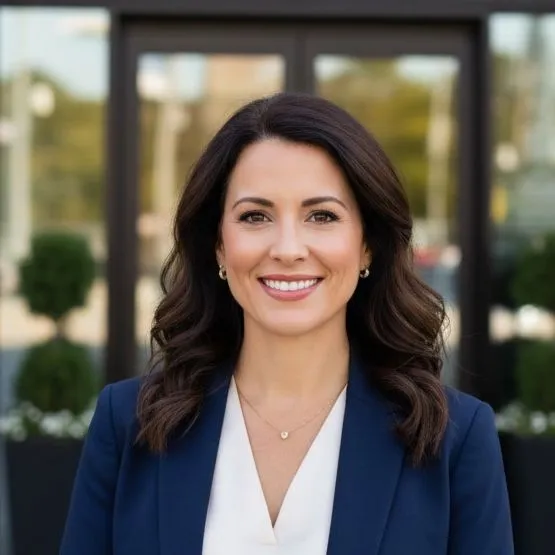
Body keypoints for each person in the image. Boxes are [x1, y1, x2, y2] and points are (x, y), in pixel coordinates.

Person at [60, 92, 513, 555]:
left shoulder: (455, 438)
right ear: (219, 246)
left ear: (367, 246)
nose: (288, 249)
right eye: (255, 216)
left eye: (322, 216)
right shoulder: (128, 423)